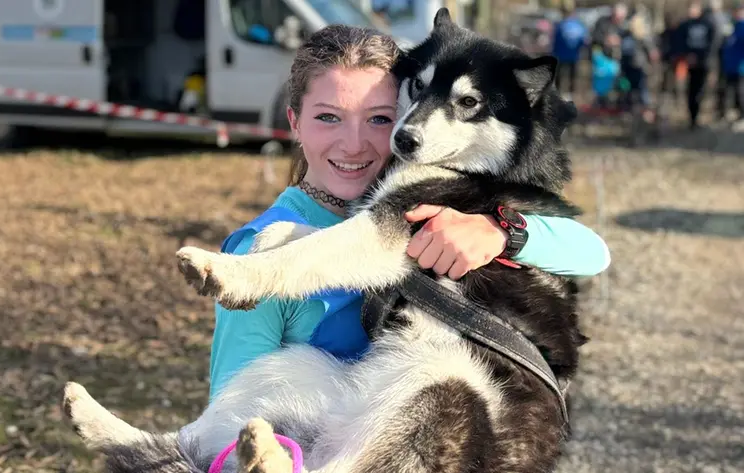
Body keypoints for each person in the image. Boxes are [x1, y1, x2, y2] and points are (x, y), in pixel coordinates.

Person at [207, 25, 611, 401]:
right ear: (294, 121)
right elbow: (231, 413)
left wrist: (502, 233)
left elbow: (591, 252)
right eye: (328, 117)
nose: (354, 144)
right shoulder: (256, 248)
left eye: (380, 118)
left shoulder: (435, 199)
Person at [674, 1, 719, 129]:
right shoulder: (685, 25)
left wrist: (702, 57)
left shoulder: (708, 24)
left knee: (700, 90)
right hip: (688, 63)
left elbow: (713, 44)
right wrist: (686, 55)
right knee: (690, 90)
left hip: (703, 63)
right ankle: (691, 118)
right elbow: (679, 42)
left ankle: (697, 115)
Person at [552, 2, 588, 99]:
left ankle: (567, 93)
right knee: (563, 75)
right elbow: (584, 41)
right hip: (565, 55)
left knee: (569, 74)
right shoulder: (564, 24)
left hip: (570, 55)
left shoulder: (571, 24)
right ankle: (562, 93)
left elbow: (583, 40)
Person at [717, 2, 744, 121]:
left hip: (741, 66)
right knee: (726, 90)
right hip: (727, 65)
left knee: (740, 92)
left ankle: (741, 115)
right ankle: (724, 113)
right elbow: (722, 45)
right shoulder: (729, 26)